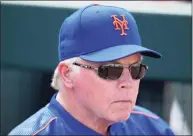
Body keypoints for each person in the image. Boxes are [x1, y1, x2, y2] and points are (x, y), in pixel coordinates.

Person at [9, 4, 175, 135]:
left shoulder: (153, 128)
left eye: (136, 69)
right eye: (110, 70)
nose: (128, 83)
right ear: (67, 74)